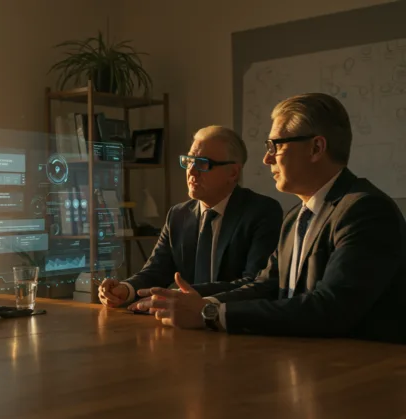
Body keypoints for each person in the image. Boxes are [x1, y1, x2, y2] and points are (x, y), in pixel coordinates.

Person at [137, 93, 406, 344]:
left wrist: (209, 314)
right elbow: (266, 286)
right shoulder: (296, 216)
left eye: (275, 145)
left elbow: (331, 308)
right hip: (303, 357)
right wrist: (202, 303)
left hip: (358, 368)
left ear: (316, 148)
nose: (267, 159)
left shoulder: (365, 210)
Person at [99, 126, 283, 308]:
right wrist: (126, 289)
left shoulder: (262, 212)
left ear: (233, 173)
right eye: (189, 161)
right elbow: (156, 270)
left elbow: (255, 283)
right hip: (184, 321)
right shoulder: (178, 214)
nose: (192, 171)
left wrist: (182, 297)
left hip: (234, 319)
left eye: (202, 163)